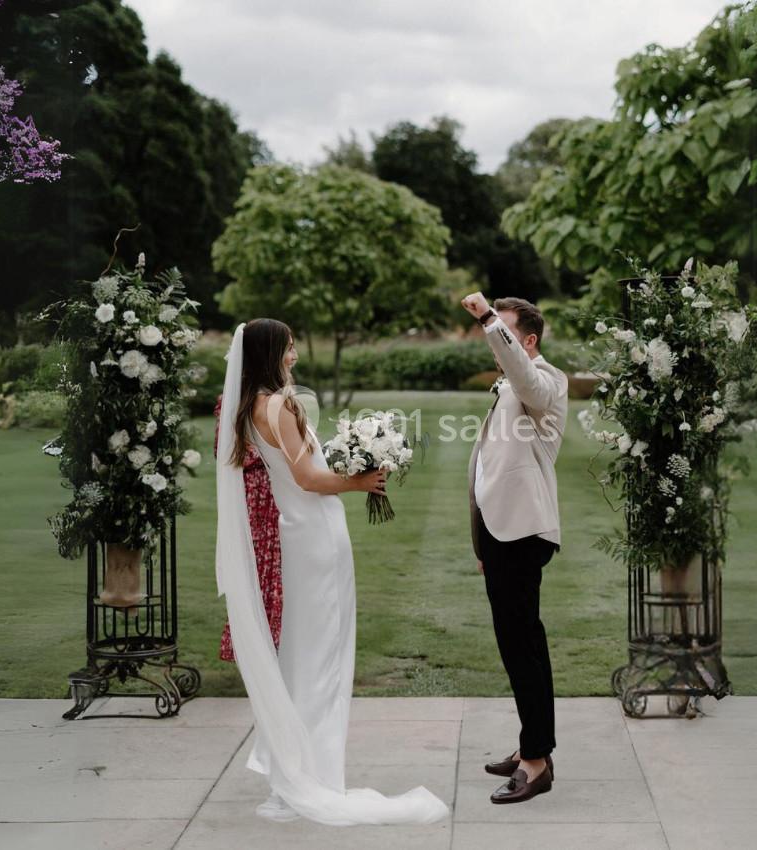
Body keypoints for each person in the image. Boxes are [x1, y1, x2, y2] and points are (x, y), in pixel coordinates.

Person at [213, 318, 451, 826]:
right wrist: (360, 480)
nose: (295, 354)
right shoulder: (278, 405)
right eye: (290, 346)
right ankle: (313, 778)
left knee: (304, 654)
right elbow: (308, 477)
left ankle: (294, 769)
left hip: (296, 536)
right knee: (322, 659)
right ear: (272, 351)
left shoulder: (252, 407)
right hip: (314, 538)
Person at [461, 293, 569, 805]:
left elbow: (524, 378)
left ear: (529, 340)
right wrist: (482, 534)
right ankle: (531, 743)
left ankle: (536, 762)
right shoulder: (514, 381)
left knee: (523, 645)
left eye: (502, 331)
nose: (492, 341)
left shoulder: (544, 381)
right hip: (500, 532)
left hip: (523, 534)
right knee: (515, 644)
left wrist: (486, 318)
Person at [212, 393, 282, 663]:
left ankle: (274, 643)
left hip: (275, 492)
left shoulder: (278, 398)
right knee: (259, 568)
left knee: (274, 569)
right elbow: (225, 450)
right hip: (256, 495)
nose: (294, 356)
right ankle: (258, 646)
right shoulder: (233, 400)